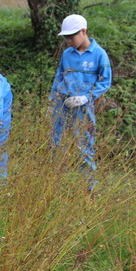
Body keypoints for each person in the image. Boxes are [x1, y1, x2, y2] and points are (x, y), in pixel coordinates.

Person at [50, 14, 112, 191]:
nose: (68, 40)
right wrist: (52, 102)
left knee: (84, 147)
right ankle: (55, 188)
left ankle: (89, 190)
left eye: (71, 36)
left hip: (83, 108)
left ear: (83, 32)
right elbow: (58, 78)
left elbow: (105, 82)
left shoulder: (99, 54)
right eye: (66, 37)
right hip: (61, 105)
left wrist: (86, 97)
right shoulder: (66, 54)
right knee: (56, 144)